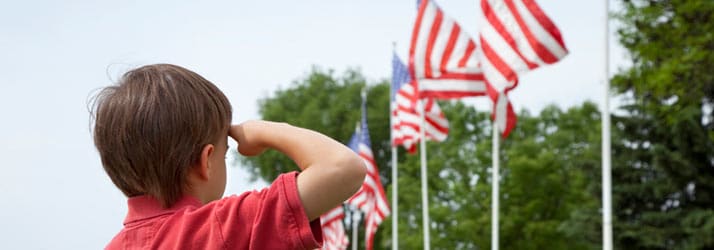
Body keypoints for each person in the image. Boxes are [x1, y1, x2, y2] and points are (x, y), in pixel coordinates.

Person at [91, 64, 366, 249]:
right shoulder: (222, 227)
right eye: (225, 154)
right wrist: (267, 130)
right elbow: (342, 167)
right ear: (206, 160)